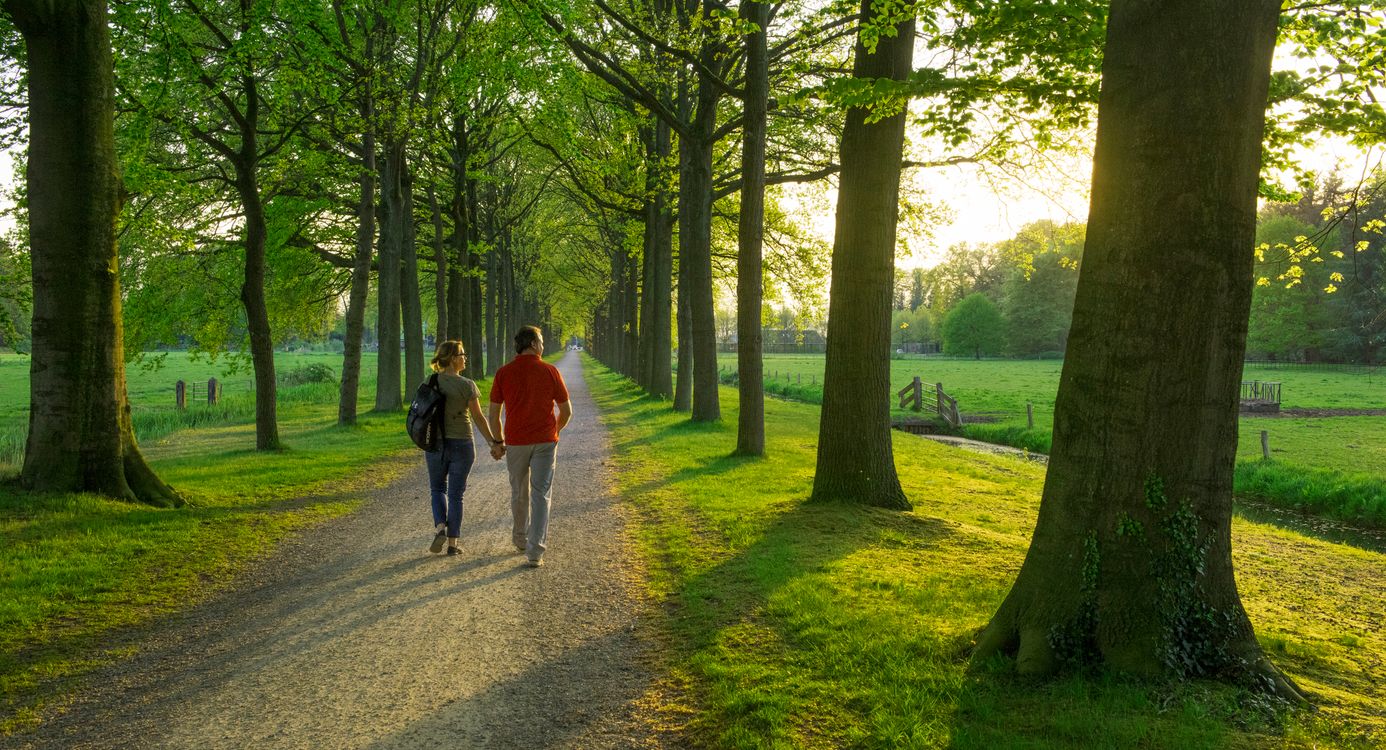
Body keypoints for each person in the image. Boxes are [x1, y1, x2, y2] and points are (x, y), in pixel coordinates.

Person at [488, 326, 571, 567]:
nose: (544, 346)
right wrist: (554, 431)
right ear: (534, 344)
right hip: (545, 441)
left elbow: (494, 414)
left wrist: (498, 441)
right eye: (542, 341)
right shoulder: (550, 371)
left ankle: (520, 538)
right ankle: (535, 552)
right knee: (541, 494)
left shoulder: (503, 373)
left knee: (519, 491)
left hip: (515, 442)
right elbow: (566, 412)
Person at [425, 340, 503, 556]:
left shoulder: (430, 381)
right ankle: (452, 544)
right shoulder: (467, 385)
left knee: (437, 489)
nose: (465, 357)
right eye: (462, 354)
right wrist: (494, 442)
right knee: (456, 495)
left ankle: (440, 527)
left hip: (436, 444)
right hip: (462, 443)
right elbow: (478, 417)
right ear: (452, 358)